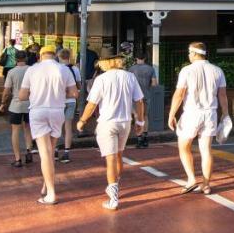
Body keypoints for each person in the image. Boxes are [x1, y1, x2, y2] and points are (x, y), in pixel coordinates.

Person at [76, 47, 146, 210]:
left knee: (110, 160)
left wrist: (82, 121)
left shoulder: (101, 80)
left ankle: (113, 196)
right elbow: (139, 101)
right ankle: (115, 183)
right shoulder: (130, 77)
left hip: (107, 123)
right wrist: (140, 122)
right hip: (125, 122)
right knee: (119, 156)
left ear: (104, 62)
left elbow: (92, 104)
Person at [17, 45, 78, 205]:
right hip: (57, 111)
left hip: (38, 111)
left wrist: (35, 92)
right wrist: (59, 92)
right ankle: (46, 184)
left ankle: (51, 193)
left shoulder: (33, 70)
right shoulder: (64, 69)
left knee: (45, 154)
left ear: (40, 56)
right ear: (55, 55)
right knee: (50, 152)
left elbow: (22, 96)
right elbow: (74, 93)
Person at [167, 42, 229, 195]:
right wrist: (225, 113)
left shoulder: (186, 71)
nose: (188, 55)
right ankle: (206, 184)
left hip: (192, 113)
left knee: (184, 146)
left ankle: (191, 179)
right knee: (206, 149)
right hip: (211, 113)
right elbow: (222, 95)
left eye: (189, 52)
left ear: (194, 53)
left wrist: (171, 114)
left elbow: (179, 94)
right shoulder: (217, 70)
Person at [0, 49, 36, 167]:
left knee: (15, 131)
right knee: (28, 129)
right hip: (30, 104)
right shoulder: (32, 70)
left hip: (16, 105)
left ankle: (18, 158)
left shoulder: (11, 72)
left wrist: (3, 103)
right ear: (25, 58)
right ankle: (29, 151)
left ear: (15, 59)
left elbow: (6, 91)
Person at [55, 48, 81, 163]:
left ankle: (55, 150)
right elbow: (78, 85)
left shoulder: (56, 68)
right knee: (68, 126)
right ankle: (66, 152)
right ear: (69, 57)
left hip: (58, 101)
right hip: (71, 101)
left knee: (56, 127)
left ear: (59, 57)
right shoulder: (74, 69)